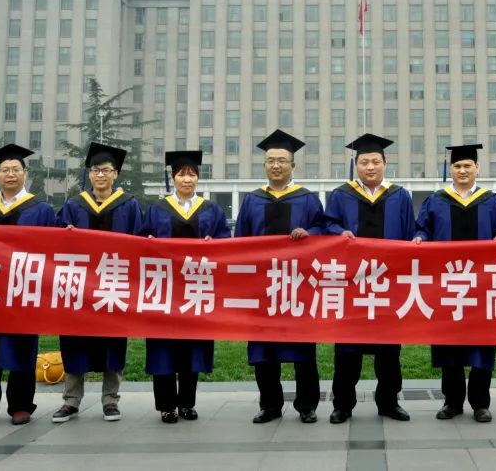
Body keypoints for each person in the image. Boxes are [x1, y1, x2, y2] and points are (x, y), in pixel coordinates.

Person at [413, 144, 496, 423]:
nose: (463, 170)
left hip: (483, 285)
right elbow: (423, 228)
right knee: (448, 342)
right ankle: (452, 402)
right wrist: (420, 237)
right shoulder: (435, 201)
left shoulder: (492, 201)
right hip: (446, 285)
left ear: (477, 168)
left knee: (482, 343)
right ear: (451, 170)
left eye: (468, 166)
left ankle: (481, 403)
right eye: (457, 166)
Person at [235, 129, 326, 424]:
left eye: (282, 161)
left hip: (298, 287)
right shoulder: (251, 201)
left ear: (292, 166)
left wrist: (310, 234)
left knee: (303, 351)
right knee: (264, 352)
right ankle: (270, 405)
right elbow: (239, 243)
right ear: (264, 166)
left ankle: (307, 406)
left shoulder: (308, 200)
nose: (276, 165)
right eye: (271, 160)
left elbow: (324, 235)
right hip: (262, 288)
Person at [322, 133, 414, 424]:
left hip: (389, 284)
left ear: (386, 163)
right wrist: (340, 233)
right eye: (364, 162)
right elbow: (328, 225)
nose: (370, 167)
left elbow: (410, 233)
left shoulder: (400, 196)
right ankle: (343, 404)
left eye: (375, 161)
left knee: (389, 350)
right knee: (347, 349)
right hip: (351, 284)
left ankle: (388, 402)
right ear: (356, 164)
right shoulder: (340, 194)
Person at [0, 144, 57, 427]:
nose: (11, 174)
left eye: (16, 169)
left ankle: (20, 405)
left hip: (22, 290)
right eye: (5, 170)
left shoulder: (41, 209)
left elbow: (54, 250)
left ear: (25, 173)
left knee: (20, 347)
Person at [51, 143, 142, 424]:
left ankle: (110, 401)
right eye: (95, 170)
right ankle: (71, 401)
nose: (100, 175)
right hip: (79, 287)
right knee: (74, 341)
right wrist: (64, 234)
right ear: (89, 175)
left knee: (113, 342)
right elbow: (53, 243)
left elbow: (139, 242)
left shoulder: (129, 204)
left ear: (115, 174)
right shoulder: (73, 205)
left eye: (106, 170)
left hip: (114, 286)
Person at [138, 150, 230, 424]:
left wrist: (216, 243)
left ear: (198, 178)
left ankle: (187, 403)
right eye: (181, 174)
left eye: (191, 174)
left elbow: (226, 242)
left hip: (196, 287)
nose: (186, 179)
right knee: (164, 346)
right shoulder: (157, 209)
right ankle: (167, 405)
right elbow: (140, 240)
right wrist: (149, 241)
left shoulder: (211, 209)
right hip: (164, 288)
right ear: (173, 177)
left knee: (193, 345)